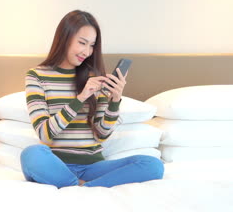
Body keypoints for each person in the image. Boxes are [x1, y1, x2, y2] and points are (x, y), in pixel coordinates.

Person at [21, 10, 164, 188]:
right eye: (82, 43)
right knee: (31, 154)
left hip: (93, 167)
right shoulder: (37, 76)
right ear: (64, 38)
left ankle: (80, 188)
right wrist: (80, 98)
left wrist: (114, 99)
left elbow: (102, 134)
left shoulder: (95, 78)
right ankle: (87, 186)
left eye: (92, 45)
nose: (87, 52)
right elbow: (44, 133)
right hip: (56, 165)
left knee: (152, 165)